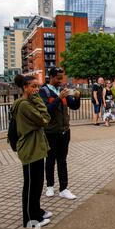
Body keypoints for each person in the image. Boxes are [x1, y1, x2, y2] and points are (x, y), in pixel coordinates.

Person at [10, 75, 52, 228]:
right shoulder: (24, 105)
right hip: (29, 148)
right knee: (30, 185)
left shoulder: (29, 102)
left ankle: (36, 211)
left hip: (35, 147)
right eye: (33, 86)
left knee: (37, 183)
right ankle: (29, 219)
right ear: (25, 87)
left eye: (38, 86)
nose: (37, 89)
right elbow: (44, 119)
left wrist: (35, 100)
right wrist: (39, 100)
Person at [39, 68, 81, 200]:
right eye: (58, 78)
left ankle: (64, 188)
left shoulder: (62, 90)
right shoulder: (43, 91)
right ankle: (50, 186)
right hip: (50, 132)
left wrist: (77, 98)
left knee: (62, 160)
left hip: (64, 131)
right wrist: (59, 98)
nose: (60, 81)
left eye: (61, 78)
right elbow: (46, 110)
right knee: (50, 160)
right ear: (51, 77)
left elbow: (73, 106)